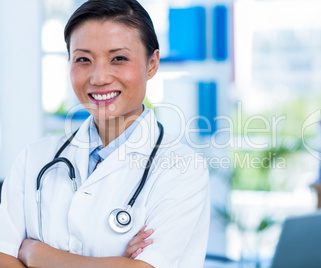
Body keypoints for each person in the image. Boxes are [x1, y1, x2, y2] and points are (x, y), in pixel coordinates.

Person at [0, 0, 210, 267]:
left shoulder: (182, 168)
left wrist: (34, 253)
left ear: (152, 64)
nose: (99, 78)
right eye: (83, 60)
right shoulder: (34, 159)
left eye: (118, 58)